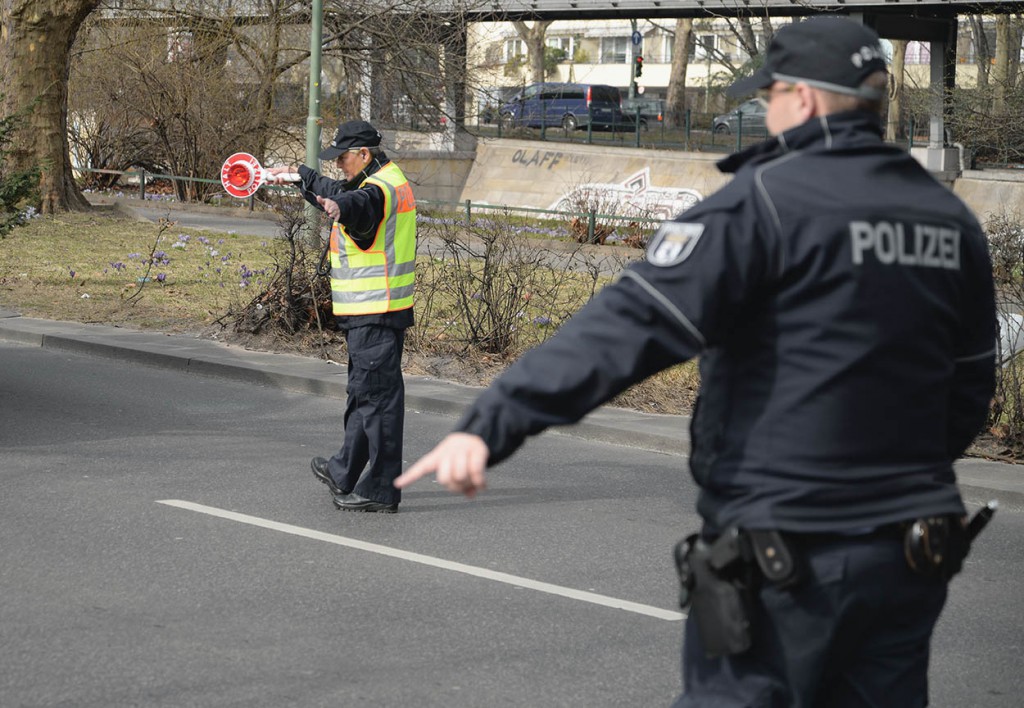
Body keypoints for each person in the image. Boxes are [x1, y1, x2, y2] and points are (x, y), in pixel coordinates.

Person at [395, 17, 996, 706]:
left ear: (800, 98)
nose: (766, 111)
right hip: (910, 555)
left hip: (790, 556)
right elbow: (969, 389)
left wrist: (490, 423)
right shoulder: (949, 221)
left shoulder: (764, 202)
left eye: (769, 94)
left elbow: (630, 325)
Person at [267, 120, 416, 514]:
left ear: (364, 154)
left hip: (376, 313)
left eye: (344, 159)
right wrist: (302, 177)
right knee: (362, 396)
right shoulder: (379, 179)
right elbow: (342, 193)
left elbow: (357, 205)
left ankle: (381, 490)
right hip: (367, 314)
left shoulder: (378, 190)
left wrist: (340, 206)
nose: (340, 167)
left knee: (378, 403)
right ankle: (344, 470)